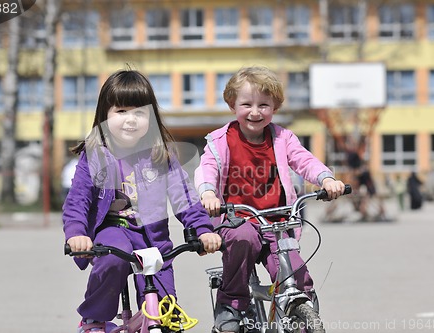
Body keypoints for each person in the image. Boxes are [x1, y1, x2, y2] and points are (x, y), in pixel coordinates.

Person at [62, 69, 222, 333]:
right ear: (105, 115)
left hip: (153, 241)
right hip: (113, 233)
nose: (131, 120)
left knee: (165, 313)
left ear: (151, 116)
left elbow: (186, 199)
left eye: (139, 112)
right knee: (112, 258)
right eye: (121, 111)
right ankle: (94, 321)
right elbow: (77, 201)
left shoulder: (162, 157)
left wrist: (203, 230)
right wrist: (77, 234)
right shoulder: (95, 156)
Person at [194, 66, 346, 333]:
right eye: (247, 104)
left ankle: (301, 309)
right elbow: (208, 168)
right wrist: (208, 193)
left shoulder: (282, 138)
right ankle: (231, 304)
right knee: (243, 239)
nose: (255, 112)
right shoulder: (220, 140)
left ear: (275, 107)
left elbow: (304, 160)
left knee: (294, 274)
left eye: (264, 105)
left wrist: (326, 179)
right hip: (238, 219)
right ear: (232, 105)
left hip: (278, 220)